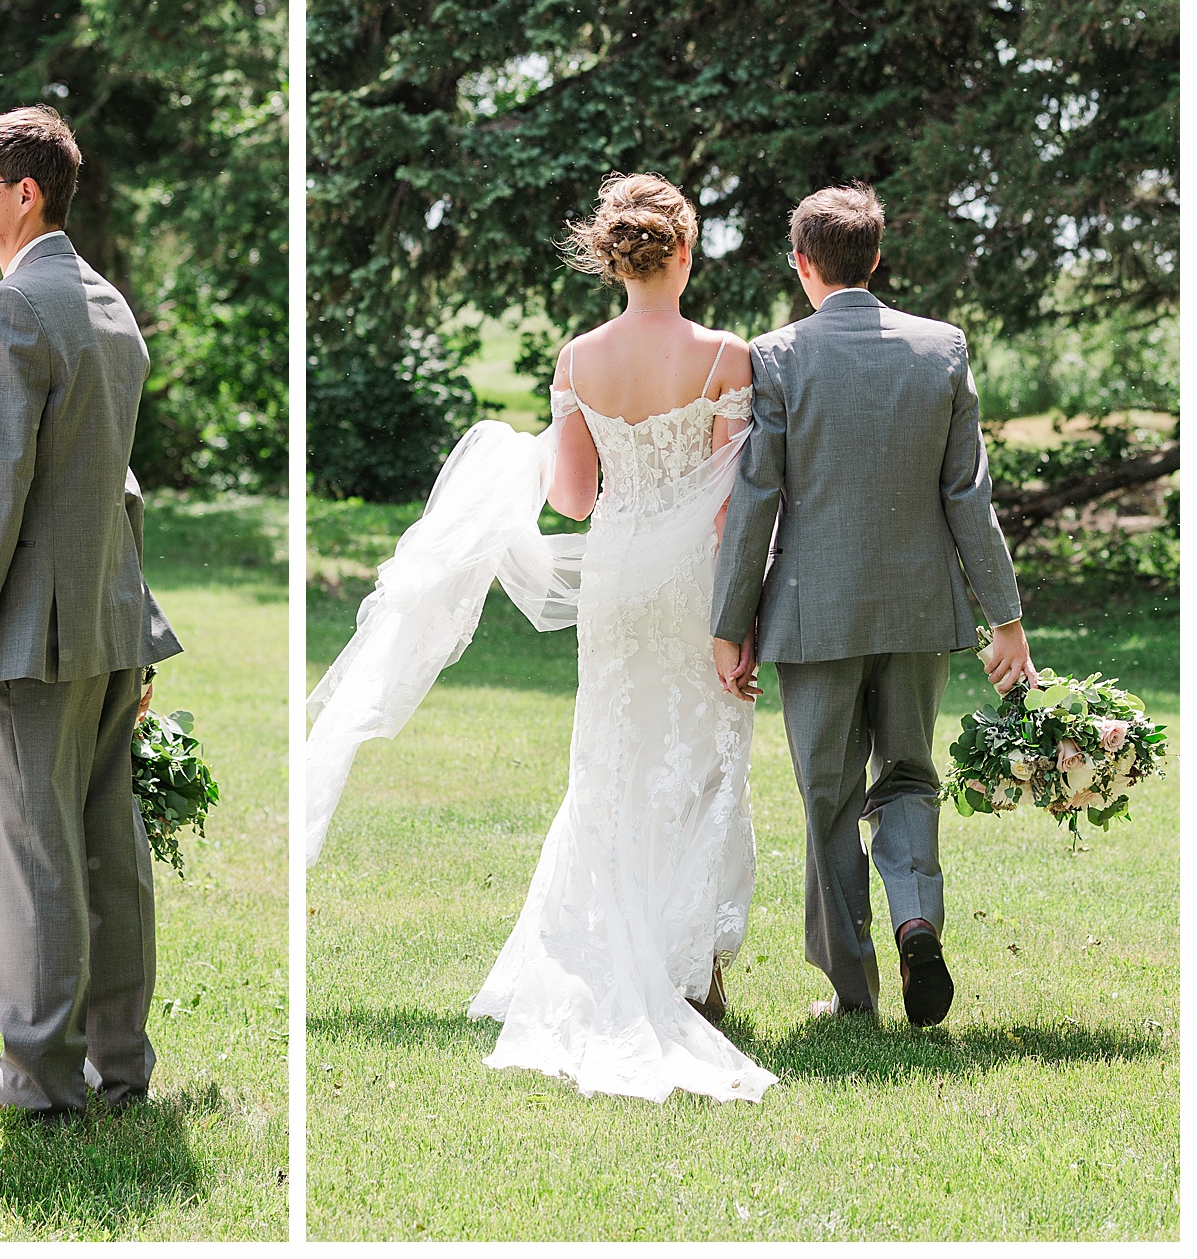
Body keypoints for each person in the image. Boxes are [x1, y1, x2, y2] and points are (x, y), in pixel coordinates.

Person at [307, 173, 777, 1103]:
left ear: (616, 260)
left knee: (608, 764)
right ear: (685, 252)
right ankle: (696, 969)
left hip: (614, 585)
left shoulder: (577, 359)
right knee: (702, 761)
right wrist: (740, 611)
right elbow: (730, 508)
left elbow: (571, 498)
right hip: (691, 590)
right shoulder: (729, 358)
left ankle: (622, 952)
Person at [712, 182, 1032, 1028]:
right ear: (877, 259)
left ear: (803, 264)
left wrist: (727, 625)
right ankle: (916, 920)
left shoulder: (776, 356)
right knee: (909, 777)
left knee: (827, 798)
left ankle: (855, 991)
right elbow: (969, 496)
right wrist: (1006, 619)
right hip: (922, 611)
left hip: (814, 617)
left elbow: (757, 501)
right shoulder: (942, 348)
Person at [0, 107, 182, 1119]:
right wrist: (134, 614)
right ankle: (119, 1068)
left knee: (37, 858)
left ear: (24, 193)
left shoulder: (15, 309)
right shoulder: (106, 301)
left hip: (37, 629)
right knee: (107, 849)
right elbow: (119, 484)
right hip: (110, 619)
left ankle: (36, 1081)